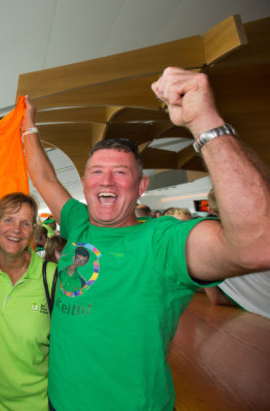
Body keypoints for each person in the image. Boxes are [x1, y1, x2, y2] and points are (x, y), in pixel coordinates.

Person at [21, 66, 270, 410]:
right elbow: (45, 178)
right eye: (96, 171)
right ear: (85, 184)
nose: (106, 181)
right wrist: (28, 126)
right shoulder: (78, 224)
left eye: (120, 173)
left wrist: (204, 121)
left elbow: (259, 243)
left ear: (140, 188)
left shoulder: (162, 241)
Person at [0, 193, 55, 411]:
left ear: (34, 230)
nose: (16, 229)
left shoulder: (51, 276)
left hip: (41, 404)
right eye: (8, 220)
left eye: (25, 223)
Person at [203, 189, 270, 318]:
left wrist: (253, 304)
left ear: (211, 210)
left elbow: (216, 299)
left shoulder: (207, 249)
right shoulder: (263, 235)